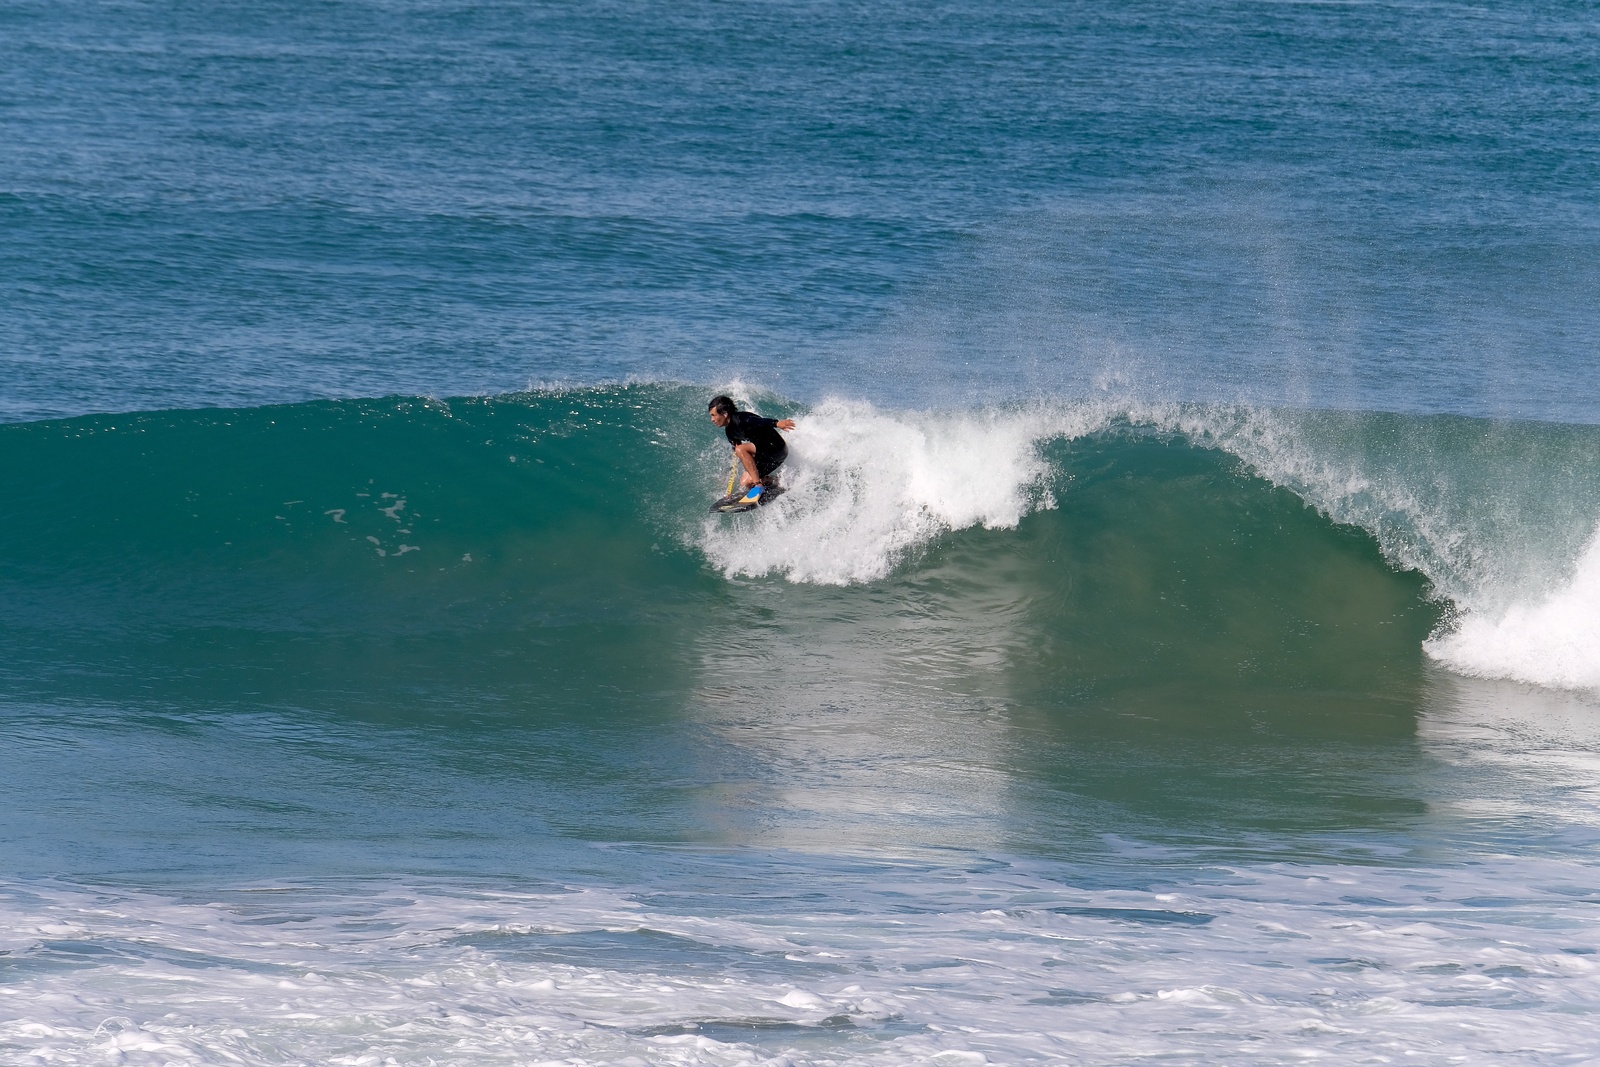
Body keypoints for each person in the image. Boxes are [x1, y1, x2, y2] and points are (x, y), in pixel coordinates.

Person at [708, 395, 796, 491]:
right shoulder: (729, 432)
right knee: (745, 482)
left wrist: (777, 423)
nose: (712, 419)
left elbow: (761, 421)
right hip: (766, 456)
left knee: (741, 449)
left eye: (713, 415)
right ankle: (775, 481)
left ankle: (758, 485)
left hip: (777, 449)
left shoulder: (742, 418)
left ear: (725, 414)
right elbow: (738, 450)